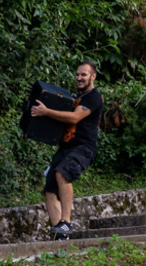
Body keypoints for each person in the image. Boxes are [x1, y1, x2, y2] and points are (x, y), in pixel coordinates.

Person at [31, 60, 103, 240]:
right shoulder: (75, 97)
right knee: (50, 189)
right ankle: (60, 236)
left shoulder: (94, 97)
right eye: (77, 74)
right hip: (66, 147)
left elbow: (74, 118)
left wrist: (46, 111)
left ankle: (66, 222)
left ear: (93, 76)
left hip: (83, 147)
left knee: (63, 172)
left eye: (84, 74)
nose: (79, 78)